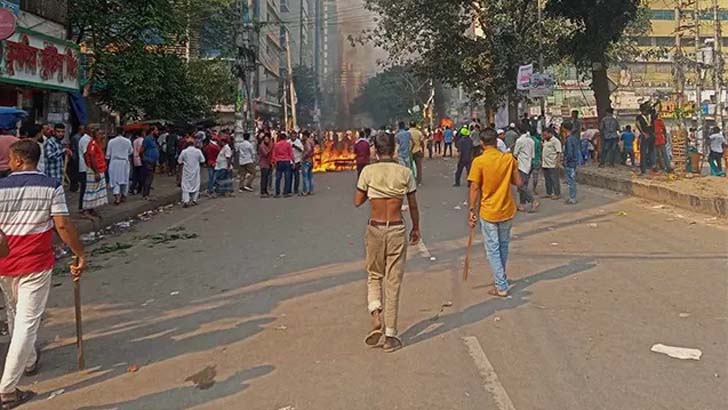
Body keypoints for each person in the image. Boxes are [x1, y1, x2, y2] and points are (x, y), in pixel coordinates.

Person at [0, 140, 86, 408]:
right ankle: (7, 388)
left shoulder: (0, 187)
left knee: (15, 312)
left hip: (5, 262)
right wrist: (79, 252)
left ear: (16, 160)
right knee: (27, 321)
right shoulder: (51, 185)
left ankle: (28, 360)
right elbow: (61, 223)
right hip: (35, 261)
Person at [355, 131, 420, 353]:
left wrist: (372, 191)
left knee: (374, 275)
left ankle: (376, 316)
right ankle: (391, 335)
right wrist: (416, 228)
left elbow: (357, 201)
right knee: (393, 282)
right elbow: (412, 205)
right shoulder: (404, 172)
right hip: (396, 228)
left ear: (374, 149)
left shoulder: (368, 172)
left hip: (375, 227)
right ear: (393, 150)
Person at [467, 128, 522, 298]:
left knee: (493, 249)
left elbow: (475, 187)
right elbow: (518, 182)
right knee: (503, 245)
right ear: (496, 141)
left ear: (482, 143)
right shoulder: (508, 159)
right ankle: (501, 277)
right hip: (506, 208)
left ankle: (501, 284)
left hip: (489, 210)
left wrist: (471, 209)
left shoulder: (479, 162)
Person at [82, 129, 109, 216]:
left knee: (96, 190)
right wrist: (96, 172)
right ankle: (86, 209)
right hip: (94, 170)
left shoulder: (97, 144)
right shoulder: (93, 144)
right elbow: (92, 157)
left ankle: (92, 208)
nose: (102, 136)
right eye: (100, 134)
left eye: (103, 133)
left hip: (99, 169)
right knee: (91, 190)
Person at [513, 130, 539, 212]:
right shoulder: (531, 141)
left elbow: (515, 154)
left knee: (521, 185)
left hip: (522, 165)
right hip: (529, 164)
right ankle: (522, 204)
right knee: (523, 185)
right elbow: (533, 154)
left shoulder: (520, 141)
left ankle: (533, 201)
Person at [105, 133, 133, 205]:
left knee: (115, 180)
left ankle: (117, 197)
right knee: (125, 179)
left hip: (114, 162)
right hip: (124, 162)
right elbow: (130, 151)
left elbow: (108, 155)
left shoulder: (111, 141)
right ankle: (124, 195)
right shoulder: (128, 141)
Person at [177, 139, 206, 207]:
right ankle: (194, 200)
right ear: (193, 144)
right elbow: (202, 160)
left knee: (185, 185)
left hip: (186, 171)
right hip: (195, 170)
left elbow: (179, 161)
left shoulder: (184, 151)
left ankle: (186, 200)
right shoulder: (198, 151)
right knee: (196, 184)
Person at [541, 127, 562, 199]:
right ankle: (549, 192)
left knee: (554, 179)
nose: (544, 136)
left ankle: (557, 193)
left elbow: (559, 152)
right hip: (545, 163)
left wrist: (557, 163)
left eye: (545, 135)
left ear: (550, 134)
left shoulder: (556, 141)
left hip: (552, 164)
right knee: (547, 180)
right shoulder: (545, 141)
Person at [563, 121, 580, 204]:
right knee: (572, 179)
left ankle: (572, 198)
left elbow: (569, 152)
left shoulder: (569, 139)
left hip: (570, 162)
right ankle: (572, 197)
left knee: (571, 180)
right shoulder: (574, 138)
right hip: (574, 161)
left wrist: (566, 160)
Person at [272, 132, 294, 197]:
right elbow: (291, 153)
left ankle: (277, 192)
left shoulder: (276, 145)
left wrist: (274, 162)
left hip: (279, 162)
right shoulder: (288, 144)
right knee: (287, 177)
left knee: (278, 177)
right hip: (287, 161)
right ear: (285, 138)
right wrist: (293, 161)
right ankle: (286, 192)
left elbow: (274, 154)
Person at [140, 128, 159, 200]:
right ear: (152, 131)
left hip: (152, 160)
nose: (157, 132)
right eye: (156, 130)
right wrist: (143, 158)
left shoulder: (153, 139)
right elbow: (141, 150)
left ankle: (147, 193)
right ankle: (145, 194)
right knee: (149, 177)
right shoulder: (147, 139)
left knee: (150, 177)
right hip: (148, 160)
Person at [636, 104, 656, 175]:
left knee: (652, 151)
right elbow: (638, 125)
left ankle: (653, 166)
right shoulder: (639, 117)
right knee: (643, 152)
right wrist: (643, 133)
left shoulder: (651, 116)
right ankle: (643, 169)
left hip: (651, 134)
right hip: (645, 135)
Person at [301, 131, 315, 195]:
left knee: (305, 177)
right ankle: (311, 190)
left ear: (305, 136)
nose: (302, 137)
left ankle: (305, 191)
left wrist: (303, 157)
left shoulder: (307, 141)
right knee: (310, 177)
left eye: (303, 136)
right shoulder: (312, 141)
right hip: (311, 161)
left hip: (306, 161)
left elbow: (308, 149)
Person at [530, 130, 543, 195]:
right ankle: (534, 189)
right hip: (536, 161)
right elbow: (540, 152)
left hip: (528, 161)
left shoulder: (528, 141)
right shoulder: (538, 142)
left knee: (526, 176)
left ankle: (522, 188)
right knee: (535, 176)